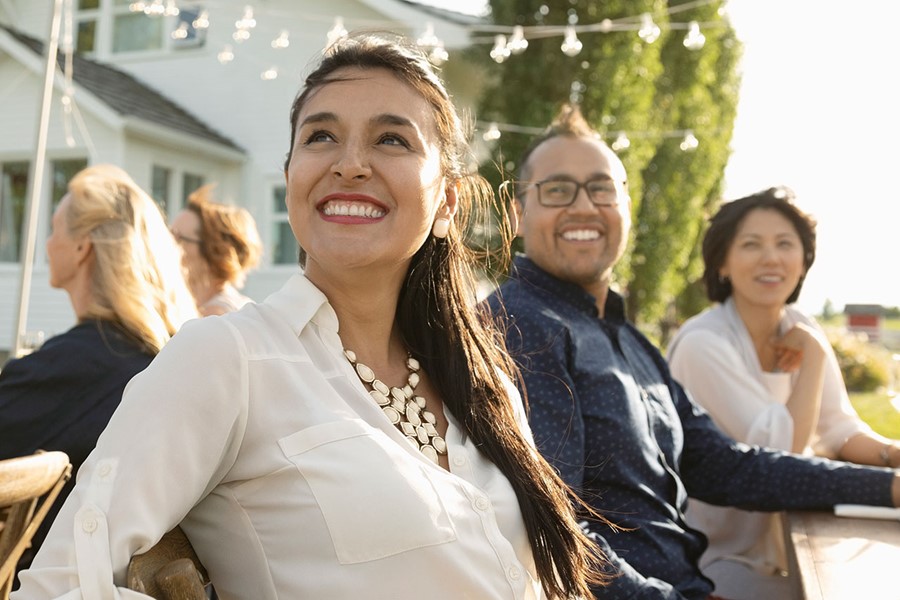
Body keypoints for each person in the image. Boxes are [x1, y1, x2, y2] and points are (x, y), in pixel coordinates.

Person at [14, 34, 606, 599]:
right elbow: (62, 585)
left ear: (447, 203)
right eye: (321, 137)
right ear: (293, 175)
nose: (349, 164)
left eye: (392, 140)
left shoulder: (486, 383)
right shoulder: (227, 359)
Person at [486, 104, 900, 600]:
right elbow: (552, 525)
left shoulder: (630, 341)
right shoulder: (520, 326)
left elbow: (726, 466)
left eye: (601, 189)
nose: (583, 207)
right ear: (516, 215)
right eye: (557, 190)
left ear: (625, 208)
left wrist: (889, 487)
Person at [666, 186, 900, 599]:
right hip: (720, 559)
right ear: (722, 262)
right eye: (752, 245)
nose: (771, 258)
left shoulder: (798, 323)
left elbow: (838, 429)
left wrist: (891, 453)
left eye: (785, 244)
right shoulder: (703, 343)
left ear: (804, 260)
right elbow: (781, 460)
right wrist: (810, 357)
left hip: (799, 539)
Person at [0, 164, 197, 578]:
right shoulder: (169, 358)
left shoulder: (65, 370)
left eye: (54, 228)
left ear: (80, 247)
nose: (48, 243)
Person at [169, 184, 262, 315]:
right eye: (169, 234)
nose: (167, 243)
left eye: (178, 238)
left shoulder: (218, 315)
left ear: (216, 251)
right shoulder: (190, 305)